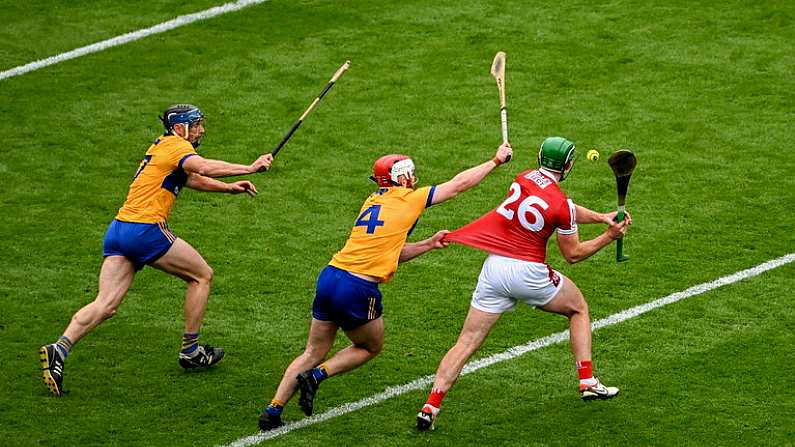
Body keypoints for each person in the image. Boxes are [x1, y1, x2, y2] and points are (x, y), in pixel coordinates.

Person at [258, 142, 514, 430]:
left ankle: (273, 410)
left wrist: (428, 244)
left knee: (311, 351)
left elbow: (391, 251)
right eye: (410, 174)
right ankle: (317, 376)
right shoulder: (410, 199)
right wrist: (495, 161)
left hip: (331, 276)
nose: (414, 179)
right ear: (401, 178)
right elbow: (457, 185)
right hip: (357, 288)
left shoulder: (372, 201)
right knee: (370, 346)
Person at [39, 104, 274, 397]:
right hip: (145, 230)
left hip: (119, 230)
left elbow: (190, 178)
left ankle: (59, 348)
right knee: (202, 275)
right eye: (196, 124)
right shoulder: (176, 146)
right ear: (179, 128)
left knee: (106, 304)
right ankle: (191, 350)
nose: (202, 129)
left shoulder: (162, 147)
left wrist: (229, 189)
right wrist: (249, 167)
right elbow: (201, 167)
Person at [415, 136, 632, 430]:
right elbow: (573, 254)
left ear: (540, 158)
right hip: (528, 272)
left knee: (466, 342)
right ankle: (587, 380)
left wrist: (600, 217)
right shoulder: (562, 206)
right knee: (578, 308)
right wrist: (610, 236)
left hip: (494, 269)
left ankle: (431, 405)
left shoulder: (524, 177)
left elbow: (561, 207)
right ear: (568, 165)